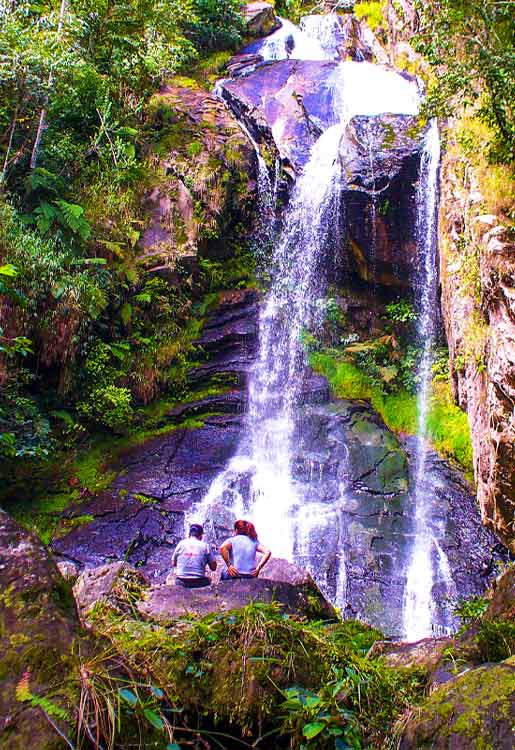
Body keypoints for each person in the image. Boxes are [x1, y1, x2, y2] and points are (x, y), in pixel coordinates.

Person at [171, 523, 216, 588]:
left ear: (189, 534)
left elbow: (173, 564)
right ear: (201, 536)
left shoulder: (181, 544)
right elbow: (213, 567)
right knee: (209, 579)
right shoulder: (205, 546)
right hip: (199, 582)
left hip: (181, 582)